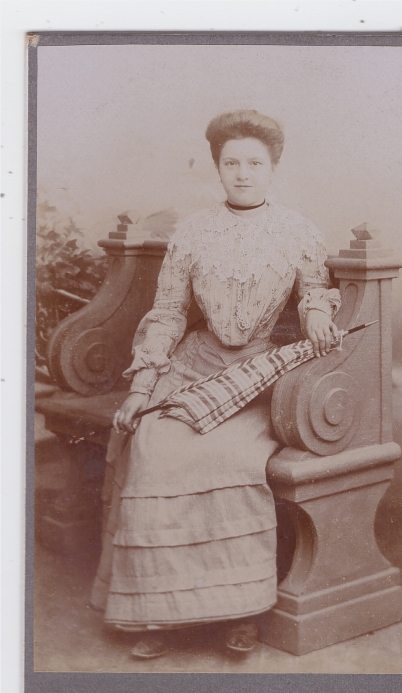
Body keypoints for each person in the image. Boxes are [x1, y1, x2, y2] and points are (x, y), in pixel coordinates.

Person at [90, 109, 341, 659]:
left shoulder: (297, 231)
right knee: (153, 448)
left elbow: (316, 289)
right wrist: (142, 384)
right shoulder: (194, 232)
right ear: (218, 169)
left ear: (272, 168)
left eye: (255, 162)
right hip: (192, 366)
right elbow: (168, 311)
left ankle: (240, 610)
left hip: (256, 375)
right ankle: (156, 611)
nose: (243, 173)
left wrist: (318, 311)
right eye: (232, 163)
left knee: (229, 459)